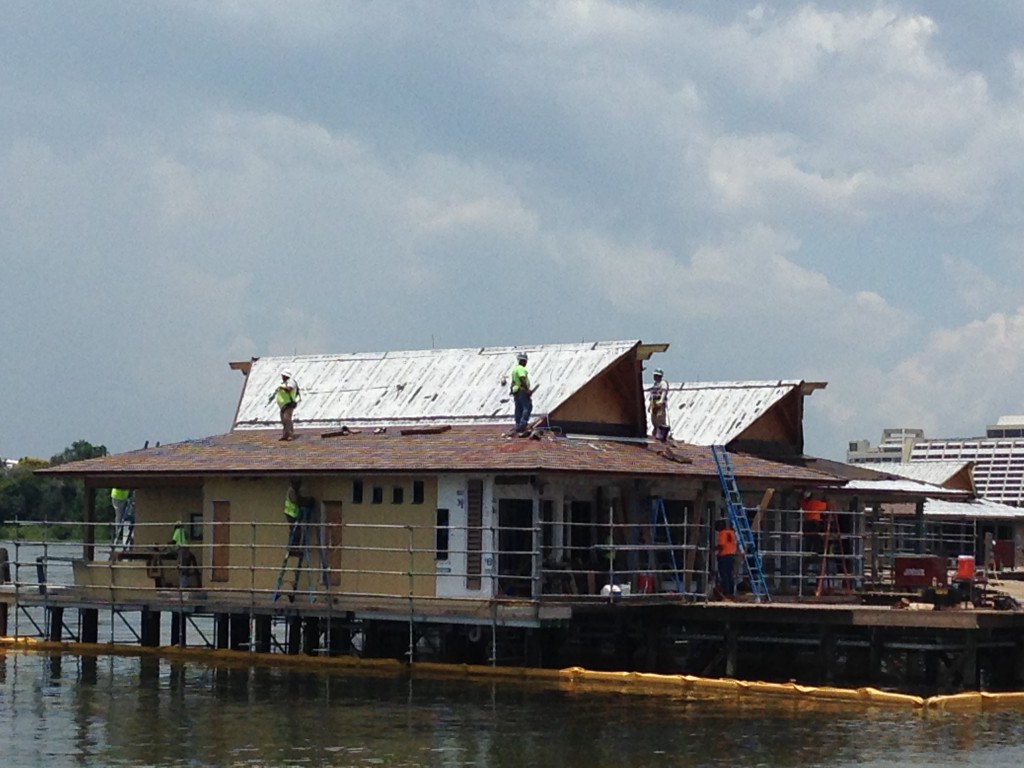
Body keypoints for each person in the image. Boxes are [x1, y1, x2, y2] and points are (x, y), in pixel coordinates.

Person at [274, 369, 301, 441]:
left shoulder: (291, 382)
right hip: (283, 405)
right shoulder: (284, 383)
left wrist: (281, 387)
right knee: (283, 420)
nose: (282, 377)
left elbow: (289, 389)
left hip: (289, 403)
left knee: (287, 419)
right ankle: (285, 435)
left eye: (283, 375)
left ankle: (290, 435)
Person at [510, 352, 533, 435]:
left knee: (518, 408)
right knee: (527, 406)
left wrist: (511, 390)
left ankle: (518, 424)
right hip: (522, 390)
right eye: (525, 361)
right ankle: (523, 424)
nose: (526, 363)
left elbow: (513, 382)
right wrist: (527, 390)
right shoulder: (521, 369)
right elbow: (522, 378)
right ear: (523, 361)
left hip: (516, 390)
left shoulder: (515, 369)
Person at [715, 518, 737, 598]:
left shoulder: (723, 533)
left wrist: (713, 549)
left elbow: (721, 545)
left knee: (724, 574)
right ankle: (731, 592)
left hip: (724, 555)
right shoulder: (732, 532)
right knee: (729, 574)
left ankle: (726, 592)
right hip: (731, 555)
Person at [648, 368, 669, 441]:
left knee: (660, 419)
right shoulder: (655, 384)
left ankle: (662, 435)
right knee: (654, 419)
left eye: (656, 375)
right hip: (654, 403)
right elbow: (652, 395)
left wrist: (661, 401)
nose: (655, 377)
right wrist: (650, 405)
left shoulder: (663, 383)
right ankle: (655, 433)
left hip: (660, 404)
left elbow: (664, 392)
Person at [283, 480, 303, 555]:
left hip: (293, 514)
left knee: (295, 530)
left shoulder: (295, 491)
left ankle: (294, 547)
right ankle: (293, 548)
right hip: (290, 514)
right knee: (296, 531)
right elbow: (296, 501)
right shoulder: (292, 491)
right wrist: (304, 501)